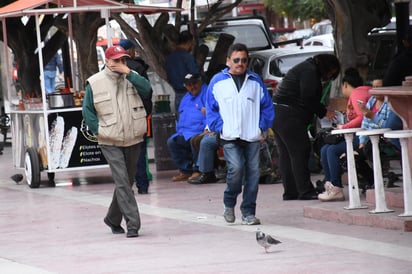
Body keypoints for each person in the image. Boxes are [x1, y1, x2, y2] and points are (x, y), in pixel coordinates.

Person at [82, 45, 151, 238]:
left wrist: (130, 73)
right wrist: (100, 131)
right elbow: (87, 111)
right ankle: (133, 224)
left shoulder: (133, 77)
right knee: (122, 181)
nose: (120, 63)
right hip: (109, 140)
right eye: (116, 60)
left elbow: (147, 91)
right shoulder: (95, 82)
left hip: (133, 137)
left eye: (123, 60)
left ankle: (112, 219)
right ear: (107, 61)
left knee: (126, 182)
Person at [207, 43, 274, 225]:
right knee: (236, 169)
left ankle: (248, 212)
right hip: (229, 136)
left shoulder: (255, 80)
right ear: (228, 60)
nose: (240, 63)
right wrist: (219, 127)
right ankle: (229, 203)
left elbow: (266, 106)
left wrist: (262, 126)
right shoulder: (217, 82)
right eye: (236, 60)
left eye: (244, 60)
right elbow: (211, 108)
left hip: (252, 135)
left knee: (253, 174)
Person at [272, 54, 340, 201]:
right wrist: (324, 112)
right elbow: (308, 97)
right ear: (326, 67)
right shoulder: (309, 71)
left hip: (278, 113)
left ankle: (291, 191)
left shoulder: (304, 68)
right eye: (330, 73)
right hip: (290, 116)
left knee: (286, 154)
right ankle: (305, 190)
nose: (329, 77)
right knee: (300, 151)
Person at [318, 68, 371, 202]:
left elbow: (362, 117)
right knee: (325, 149)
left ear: (345, 84)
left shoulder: (357, 94)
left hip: (364, 137)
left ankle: (336, 187)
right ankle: (330, 186)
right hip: (360, 135)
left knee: (332, 150)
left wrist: (344, 126)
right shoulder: (364, 91)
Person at [119, 38, 153, 194]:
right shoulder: (138, 68)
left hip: (119, 117)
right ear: (130, 51)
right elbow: (147, 92)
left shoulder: (111, 70)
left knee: (122, 153)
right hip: (138, 115)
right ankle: (143, 185)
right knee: (139, 151)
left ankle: (127, 187)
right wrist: (147, 111)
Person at [167, 73, 207, 181]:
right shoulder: (186, 98)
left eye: (194, 83)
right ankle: (186, 171)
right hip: (184, 132)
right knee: (172, 142)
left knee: (195, 140)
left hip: (200, 131)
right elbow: (181, 116)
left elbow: (210, 114)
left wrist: (206, 129)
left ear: (200, 82)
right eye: (189, 85)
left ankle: (197, 170)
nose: (192, 87)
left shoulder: (207, 93)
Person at [165, 31, 201, 113]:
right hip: (190, 94)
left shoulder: (169, 58)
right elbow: (195, 74)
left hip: (177, 93)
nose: (192, 46)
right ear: (189, 42)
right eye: (191, 44)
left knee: (181, 121)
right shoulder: (187, 57)